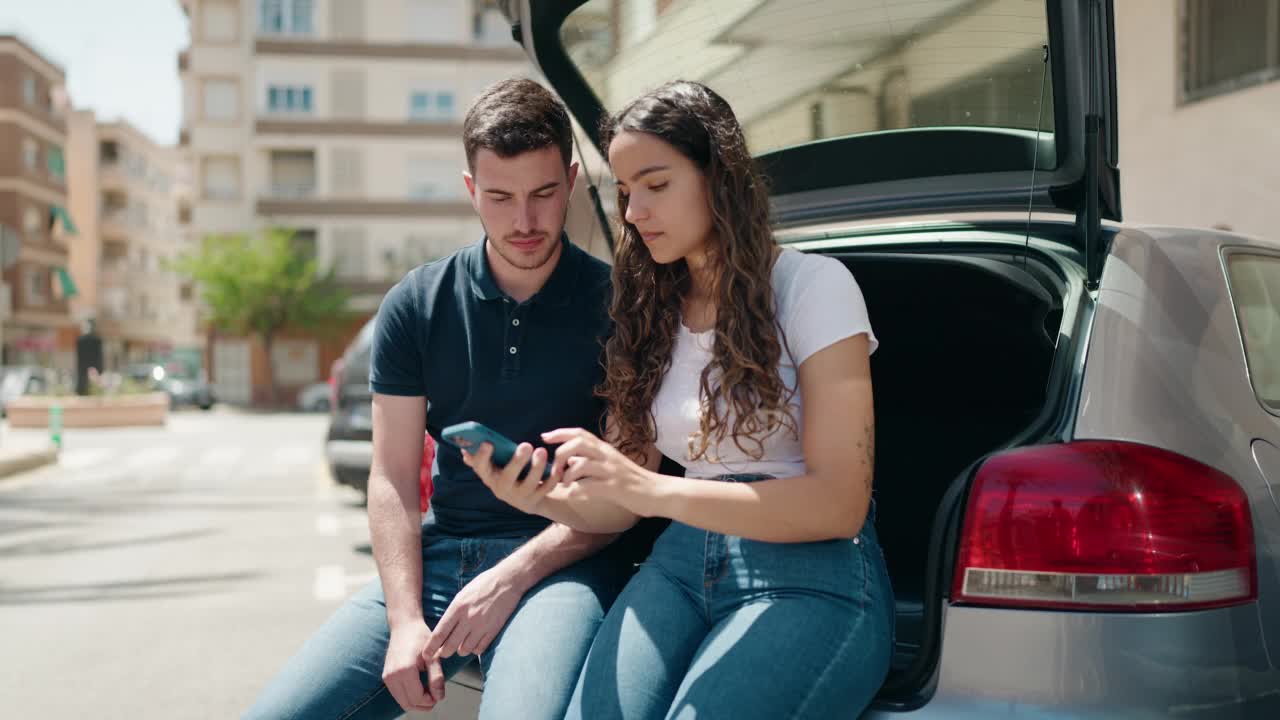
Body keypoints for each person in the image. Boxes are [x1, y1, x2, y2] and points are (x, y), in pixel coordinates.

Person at [468, 80, 895, 719]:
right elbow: (620, 504)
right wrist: (536, 494)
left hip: (813, 574)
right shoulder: (650, 312)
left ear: (717, 177)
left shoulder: (814, 287)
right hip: (679, 566)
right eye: (624, 191)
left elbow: (837, 504)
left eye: (656, 185)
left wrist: (650, 491)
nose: (634, 211)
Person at [245, 78, 635, 720]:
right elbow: (393, 476)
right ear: (469, 189)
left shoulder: (623, 307)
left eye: (542, 194)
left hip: (561, 566)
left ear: (570, 181)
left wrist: (509, 578)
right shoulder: (415, 303)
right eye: (499, 197)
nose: (524, 221)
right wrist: (402, 620)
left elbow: (622, 497)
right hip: (440, 558)